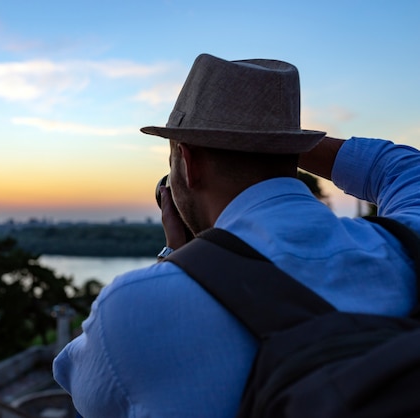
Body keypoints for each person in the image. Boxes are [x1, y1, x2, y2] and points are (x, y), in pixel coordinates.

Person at [52, 53, 420, 417]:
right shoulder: (407, 243)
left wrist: (178, 259)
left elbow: (76, 382)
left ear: (189, 164)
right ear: (293, 155)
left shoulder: (134, 306)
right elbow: (400, 168)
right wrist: (282, 139)